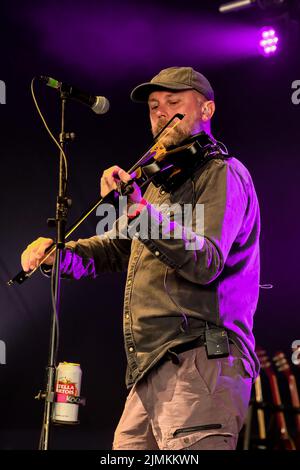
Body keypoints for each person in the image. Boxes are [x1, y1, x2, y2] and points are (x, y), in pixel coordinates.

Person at [21, 66, 260, 450]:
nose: (161, 112)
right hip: (150, 368)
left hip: (199, 360)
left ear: (206, 110)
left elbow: (207, 262)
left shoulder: (223, 173)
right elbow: (116, 248)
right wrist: (59, 254)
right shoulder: (158, 184)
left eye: (173, 102)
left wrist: (141, 213)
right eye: (153, 106)